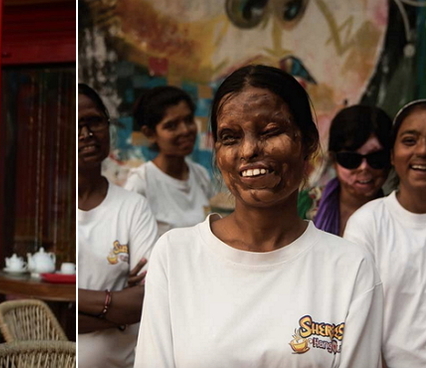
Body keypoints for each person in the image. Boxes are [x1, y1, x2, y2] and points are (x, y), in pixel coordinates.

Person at [134, 65, 383, 367]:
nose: (249, 149)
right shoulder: (176, 256)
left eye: (270, 132)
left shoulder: (350, 267)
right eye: (230, 137)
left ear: (308, 143)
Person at [77, 83, 158, 368]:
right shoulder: (53, 211)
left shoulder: (133, 207)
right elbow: (49, 312)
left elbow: (147, 299)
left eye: (94, 122)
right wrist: (115, 307)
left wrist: (75, 303)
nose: (87, 135)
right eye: (76, 126)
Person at [344, 99, 426, 368]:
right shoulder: (368, 224)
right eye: (410, 140)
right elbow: (357, 321)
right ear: (392, 154)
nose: (422, 151)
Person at [124, 86, 215, 237]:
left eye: (188, 120)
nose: (185, 130)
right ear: (150, 133)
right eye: (171, 126)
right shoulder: (141, 183)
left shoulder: (200, 175)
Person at [301, 105, 392, 236]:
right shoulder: (302, 205)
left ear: (391, 159)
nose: (364, 167)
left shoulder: (401, 217)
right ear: (333, 160)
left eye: (376, 158)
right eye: (350, 159)